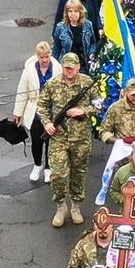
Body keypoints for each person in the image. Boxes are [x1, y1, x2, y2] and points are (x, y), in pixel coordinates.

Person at [37, 51, 103, 227]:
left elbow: (99, 104)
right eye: (66, 68)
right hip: (59, 137)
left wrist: (84, 111)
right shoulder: (53, 84)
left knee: (78, 173)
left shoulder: (87, 83)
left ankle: (75, 206)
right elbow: (42, 105)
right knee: (58, 173)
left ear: (78, 67)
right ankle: (60, 206)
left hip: (81, 138)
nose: (69, 71)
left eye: (72, 68)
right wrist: (47, 123)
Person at [13, 40, 59, 182]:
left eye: (47, 56)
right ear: (37, 56)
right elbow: (22, 92)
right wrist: (18, 112)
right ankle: (37, 165)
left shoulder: (58, 69)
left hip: (52, 113)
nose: (45, 60)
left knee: (51, 143)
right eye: (42, 57)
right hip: (35, 113)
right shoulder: (29, 71)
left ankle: (48, 168)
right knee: (37, 142)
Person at [52, 0, 101, 66]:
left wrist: (91, 53)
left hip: (83, 64)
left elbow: (93, 43)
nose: (73, 14)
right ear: (66, 13)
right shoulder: (60, 27)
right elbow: (56, 48)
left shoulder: (88, 25)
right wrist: (55, 65)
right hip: (66, 65)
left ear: (80, 12)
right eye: (70, 11)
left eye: (76, 11)